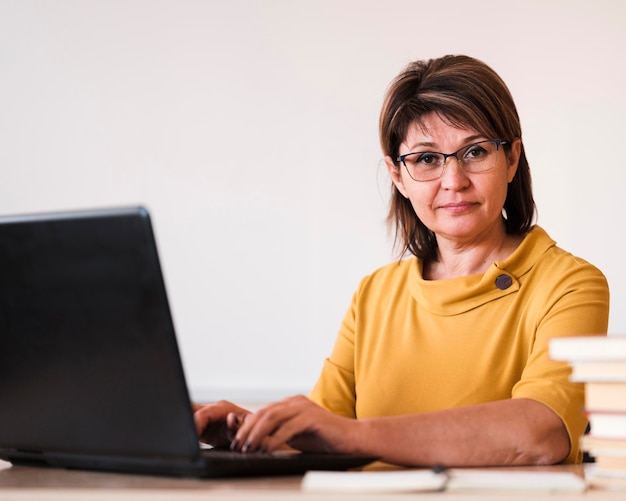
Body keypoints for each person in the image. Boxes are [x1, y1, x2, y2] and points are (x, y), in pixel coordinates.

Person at [194, 54, 610, 467]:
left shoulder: (570, 284)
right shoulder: (374, 294)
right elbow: (322, 435)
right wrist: (252, 430)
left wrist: (353, 435)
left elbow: (539, 434)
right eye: (427, 159)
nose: (454, 181)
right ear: (398, 176)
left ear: (512, 159)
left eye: (476, 152)